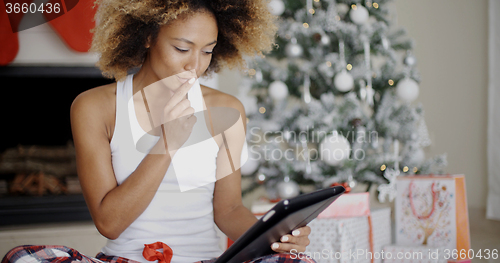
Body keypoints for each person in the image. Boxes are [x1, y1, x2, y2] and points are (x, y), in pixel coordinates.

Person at [2, 0, 315, 263]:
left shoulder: (228, 110)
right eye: (182, 48)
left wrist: (275, 234)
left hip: (205, 260)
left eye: (207, 51)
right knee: (22, 258)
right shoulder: (94, 107)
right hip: (124, 259)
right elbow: (109, 223)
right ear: (148, 36)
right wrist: (167, 143)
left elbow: (229, 209)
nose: (195, 66)